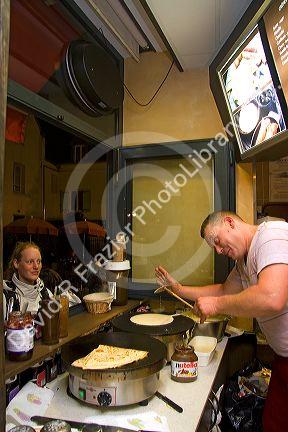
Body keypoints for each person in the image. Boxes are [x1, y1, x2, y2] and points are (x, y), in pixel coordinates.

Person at [155, 211, 288, 432]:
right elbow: (223, 290)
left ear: (229, 222)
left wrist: (216, 306)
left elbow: (272, 297)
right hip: (282, 358)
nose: (218, 250)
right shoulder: (242, 263)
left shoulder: (271, 236)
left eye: (217, 241)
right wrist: (178, 289)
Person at [3, 242, 51, 319]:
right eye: (30, 262)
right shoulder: (5, 297)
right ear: (16, 263)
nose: (36, 266)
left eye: (38, 261)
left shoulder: (47, 294)